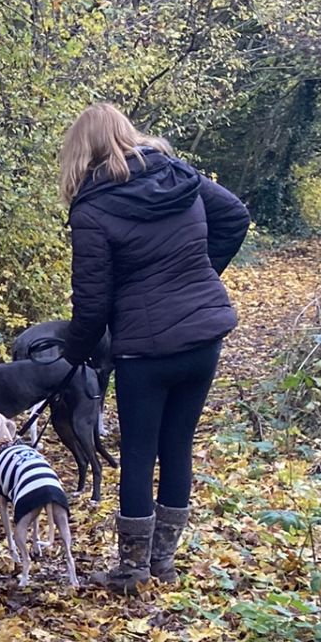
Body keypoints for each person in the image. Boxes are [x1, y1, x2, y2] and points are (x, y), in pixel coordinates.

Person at [60, 101, 250, 591]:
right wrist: (198, 275)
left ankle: (131, 569)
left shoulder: (93, 208)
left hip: (146, 349)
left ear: (81, 151)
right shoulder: (178, 175)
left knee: (140, 452)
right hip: (202, 338)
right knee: (178, 445)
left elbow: (92, 302)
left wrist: (72, 352)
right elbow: (234, 216)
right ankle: (162, 563)